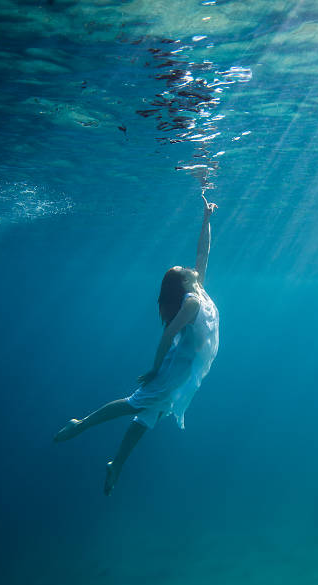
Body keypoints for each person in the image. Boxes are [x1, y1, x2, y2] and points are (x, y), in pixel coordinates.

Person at [54, 194, 219, 495]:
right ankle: (81, 424)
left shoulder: (198, 285)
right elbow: (168, 336)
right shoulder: (193, 301)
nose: (188, 267)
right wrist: (156, 369)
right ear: (182, 283)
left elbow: (203, 253)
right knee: (137, 402)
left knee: (150, 413)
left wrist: (207, 219)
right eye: (183, 270)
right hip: (178, 368)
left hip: (187, 365)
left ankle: (116, 464)